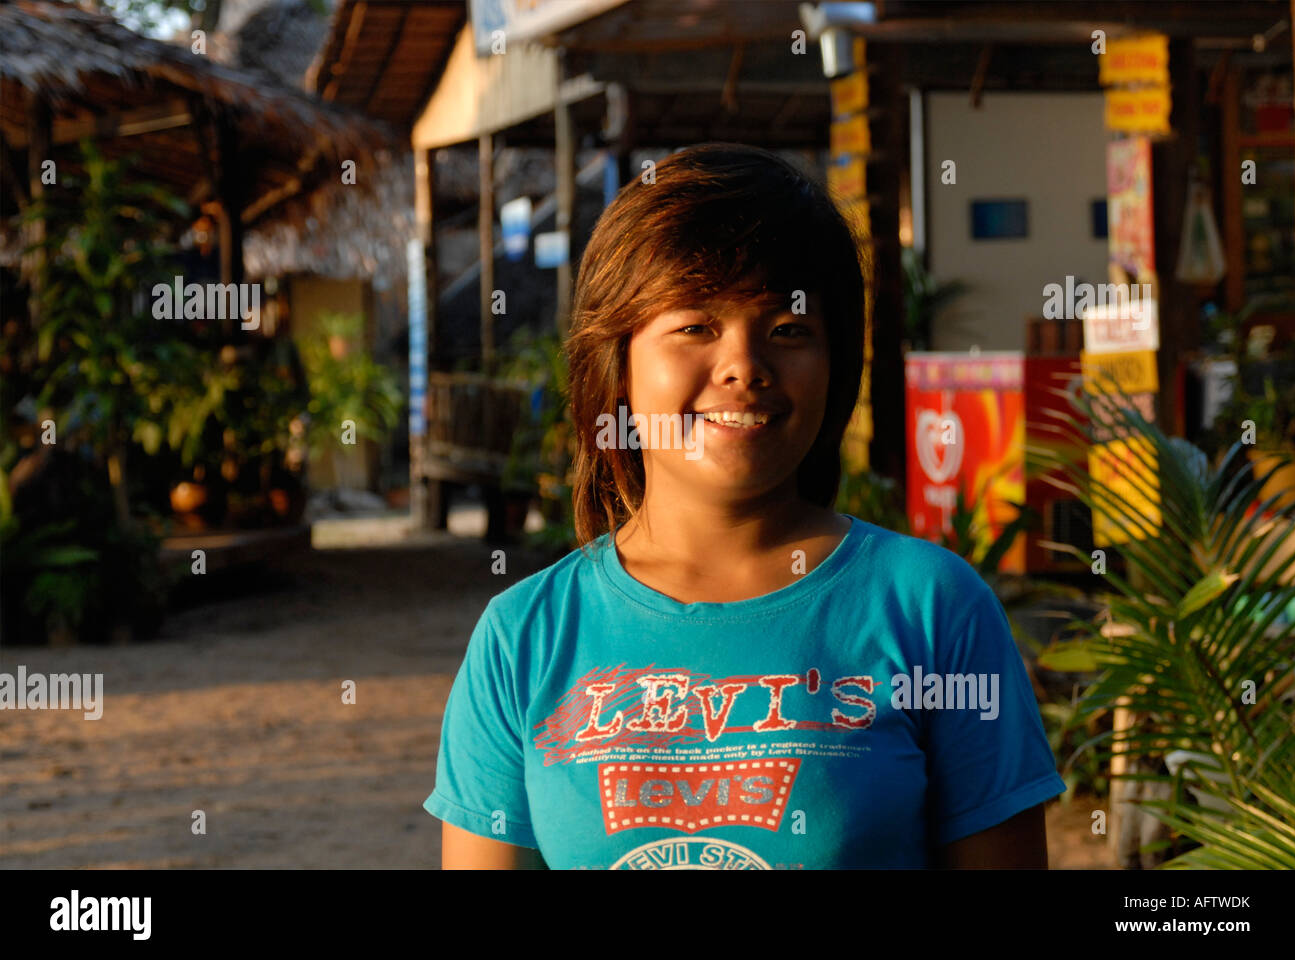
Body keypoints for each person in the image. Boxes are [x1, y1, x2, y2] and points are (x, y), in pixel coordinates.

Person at [425, 143, 1065, 869]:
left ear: (837, 364)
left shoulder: (933, 610)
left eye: (788, 330)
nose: (744, 367)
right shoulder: (523, 640)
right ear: (620, 362)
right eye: (696, 326)